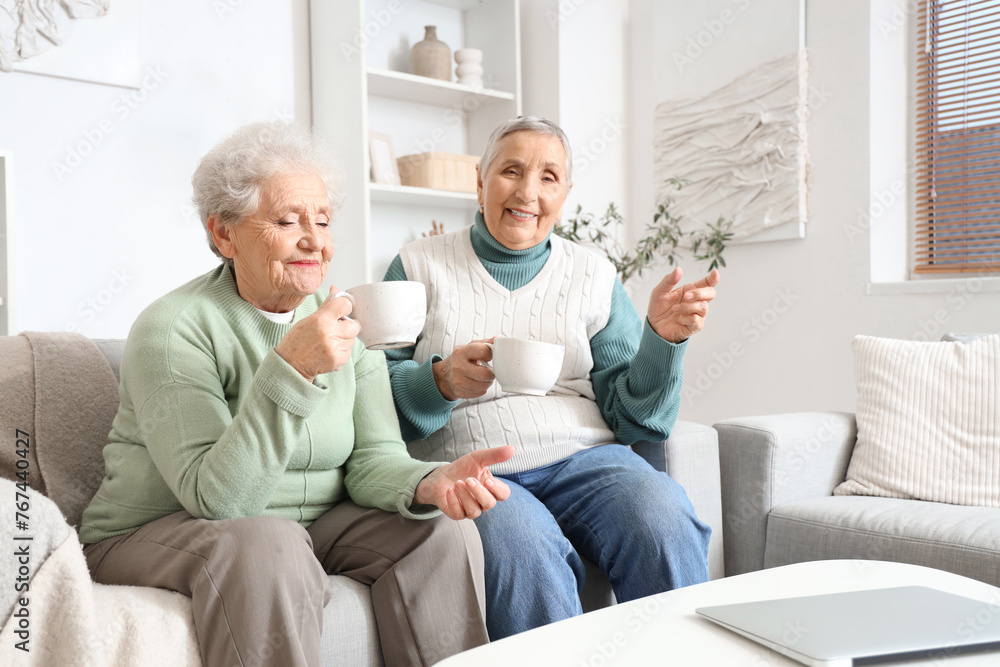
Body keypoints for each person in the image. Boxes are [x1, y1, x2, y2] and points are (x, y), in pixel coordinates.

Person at [78, 122, 514, 667]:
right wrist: (292, 369)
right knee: (267, 545)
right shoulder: (173, 329)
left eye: (323, 221)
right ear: (224, 235)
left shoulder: (347, 320)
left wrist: (430, 481)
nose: (315, 239)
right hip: (157, 530)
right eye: (287, 221)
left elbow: (373, 460)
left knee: (439, 534)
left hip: (310, 524)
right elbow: (218, 502)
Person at [382, 116, 720, 640]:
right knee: (523, 551)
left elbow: (637, 418)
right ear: (479, 180)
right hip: (475, 464)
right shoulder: (417, 266)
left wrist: (662, 340)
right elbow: (374, 398)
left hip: (586, 459)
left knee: (663, 519)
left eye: (548, 177)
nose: (527, 192)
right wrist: (442, 380)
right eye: (510, 171)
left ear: (565, 194)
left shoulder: (594, 275)